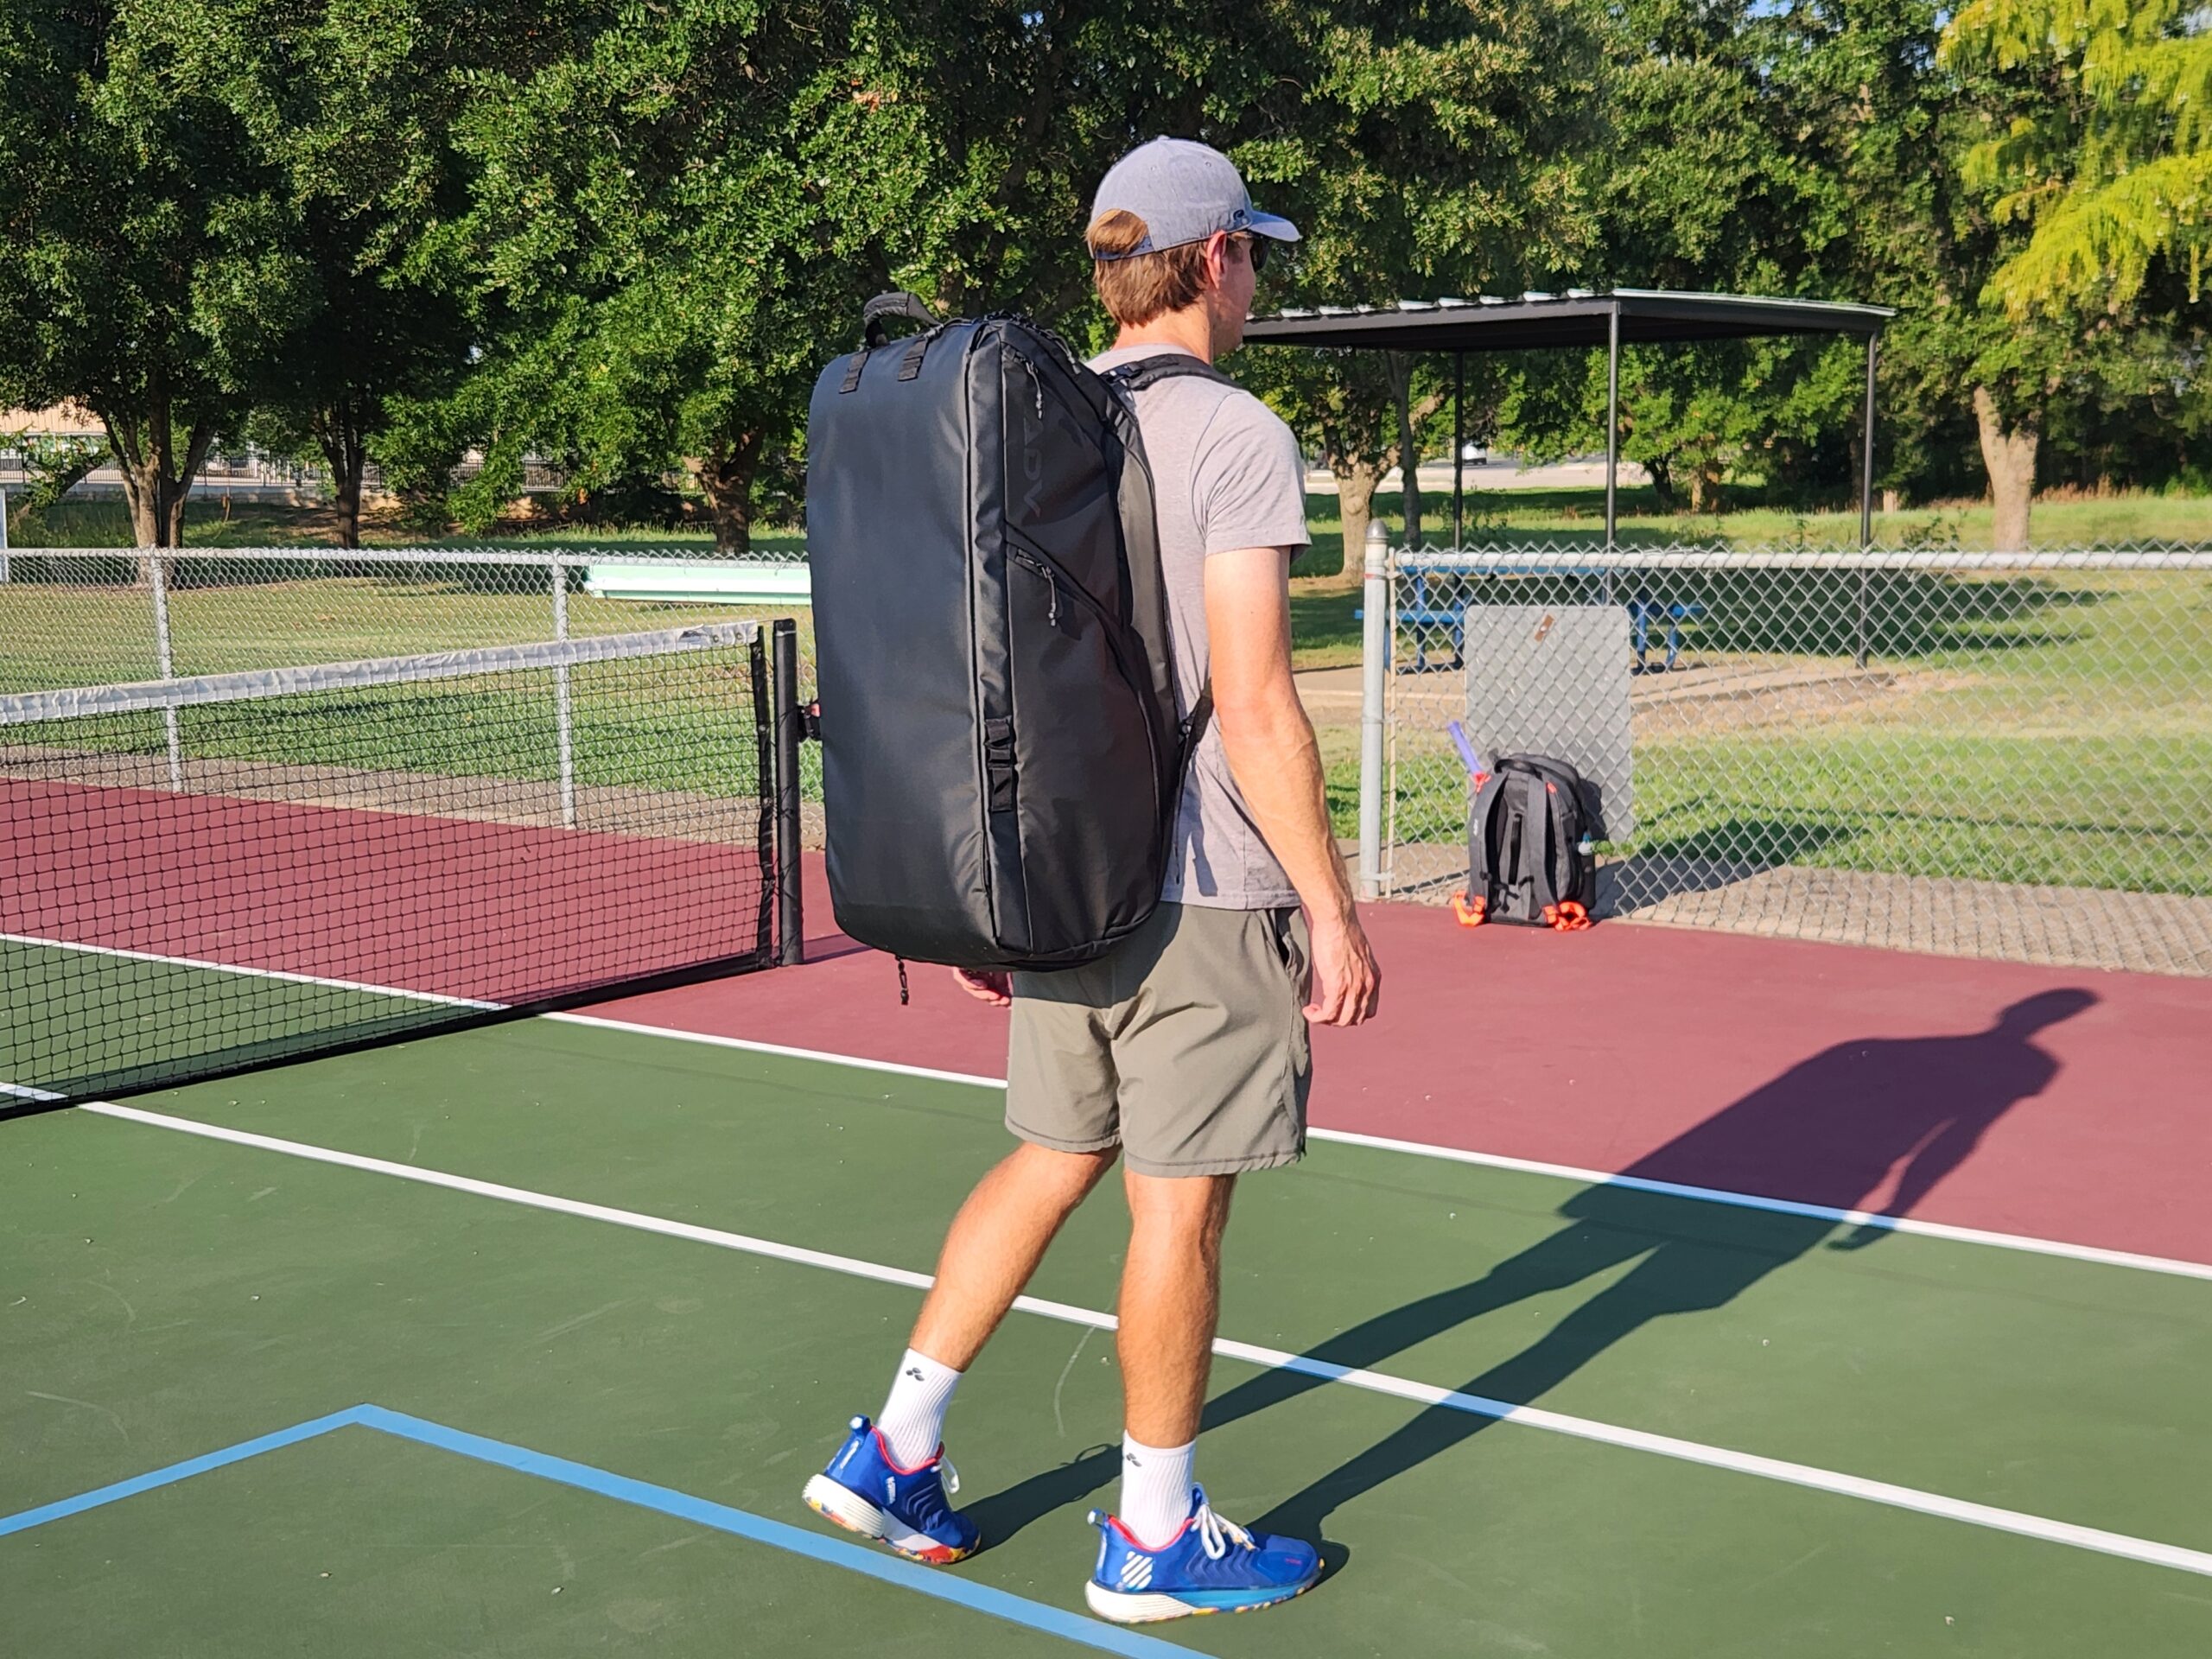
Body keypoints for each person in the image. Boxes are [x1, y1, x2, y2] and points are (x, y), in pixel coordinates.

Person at [801, 136, 1382, 1624]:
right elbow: (1253, 702)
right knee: (1176, 1216)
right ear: (1206, 261)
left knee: (1057, 1155)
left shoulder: (1031, 424)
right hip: (1199, 891)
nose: (1259, 275)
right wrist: (1327, 907)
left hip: (1056, 873)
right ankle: (1153, 1535)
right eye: (1250, 248)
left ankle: (898, 1444)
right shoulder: (1237, 432)